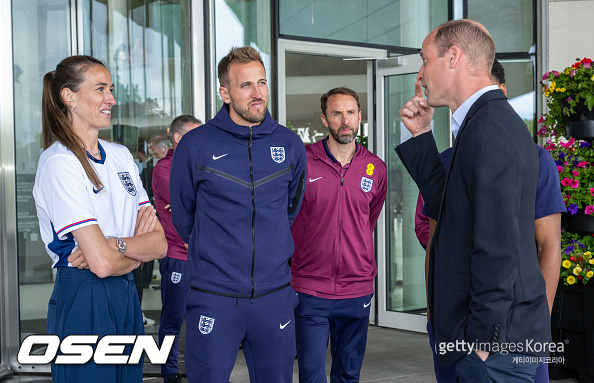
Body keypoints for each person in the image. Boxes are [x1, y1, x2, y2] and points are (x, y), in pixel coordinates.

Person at [396, 20, 551, 381]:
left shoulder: (489, 128)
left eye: (424, 59)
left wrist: (482, 341)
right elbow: (452, 209)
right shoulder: (482, 123)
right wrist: (420, 137)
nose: (420, 74)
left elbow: (499, 248)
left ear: (453, 57)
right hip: (487, 342)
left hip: (494, 347)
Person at [169, 46, 307, 383]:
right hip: (214, 298)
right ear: (225, 93)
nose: (258, 93)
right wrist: (216, 253)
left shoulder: (289, 144)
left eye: (262, 82)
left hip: (274, 297)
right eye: (246, 85)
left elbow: (291, 209)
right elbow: (184, 216)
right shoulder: (195, 145)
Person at [33, 55, 167, 382]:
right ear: (69, 97)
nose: (111, 98)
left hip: (124, 294)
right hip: (82, 294)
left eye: (111, 89)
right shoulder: (59, 163)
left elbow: (160, 243)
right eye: (100, 89)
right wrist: (134, 255)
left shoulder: (120, 156)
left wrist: (114, 246)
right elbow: (103, 264)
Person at [290, 87, 387, 382]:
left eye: (350, 113)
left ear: (359, 117)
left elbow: (367, 221)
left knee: (348, 374)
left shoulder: (376, 168)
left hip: (356, 288)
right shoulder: (303, 162)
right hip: (309, 287)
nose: (344, 120)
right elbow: (287, 215)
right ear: (324, 119)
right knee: (311, 373)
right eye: (336, 113)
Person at [152, 114, 202, 383]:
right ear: (178, 138)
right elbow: (193, 202)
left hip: (205, 257)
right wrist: (196, 200)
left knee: (203, 321)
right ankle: (169, 372)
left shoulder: (201, 165)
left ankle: (200, 373)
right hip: (178, 256)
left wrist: (194, 201)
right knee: (173, 320)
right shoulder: (164, 168)